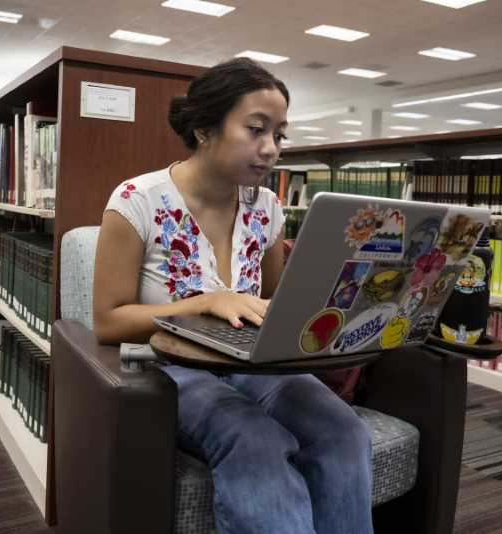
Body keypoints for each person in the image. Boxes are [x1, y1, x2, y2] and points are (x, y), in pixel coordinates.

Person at [93, 57, 374, 534]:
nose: (271, 149)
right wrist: (202, 302)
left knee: (343, 430)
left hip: (251, 363)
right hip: (168, 368)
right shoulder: (136, 200)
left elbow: (275, 302)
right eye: (256, 130)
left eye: (279, 135)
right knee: (253, 437)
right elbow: (107, 321)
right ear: (206, 129)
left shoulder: (267, 206)